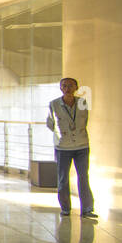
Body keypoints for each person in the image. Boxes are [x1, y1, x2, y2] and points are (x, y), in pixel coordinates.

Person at [46, 76, 96, 219]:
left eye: (71, 86)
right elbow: (50, 124)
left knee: (83, 177)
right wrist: (61, 134)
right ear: (61, 88)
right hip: (63, 146)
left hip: (82, 145)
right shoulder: (54, 104)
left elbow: (84, 120)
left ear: (76, 88)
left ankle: (87, 209)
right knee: (63, 179)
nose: (68, 89)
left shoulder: (82, 103)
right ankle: (66, 208)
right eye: (65, 86)